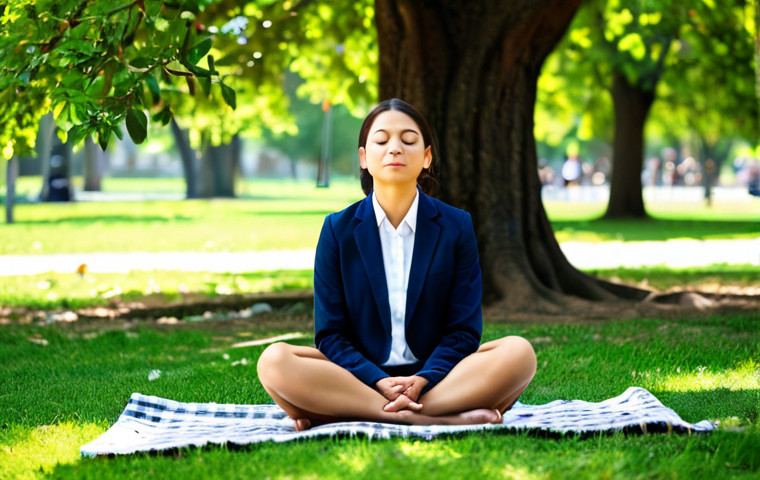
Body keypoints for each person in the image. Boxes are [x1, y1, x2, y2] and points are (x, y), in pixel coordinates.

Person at [257, 98, 537, 431]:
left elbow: (463, 331)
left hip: (439, 376)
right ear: (364, 157)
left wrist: (424, 378)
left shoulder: (456, 226)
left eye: (408, 140)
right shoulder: (337, 229)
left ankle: (346, 413)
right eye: (381, 140)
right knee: (275, 361)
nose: (394, 149)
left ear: (427, 156)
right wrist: (376, 380)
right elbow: (330, 335)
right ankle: (439, 418)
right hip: (358, 377)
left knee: (519, 353)